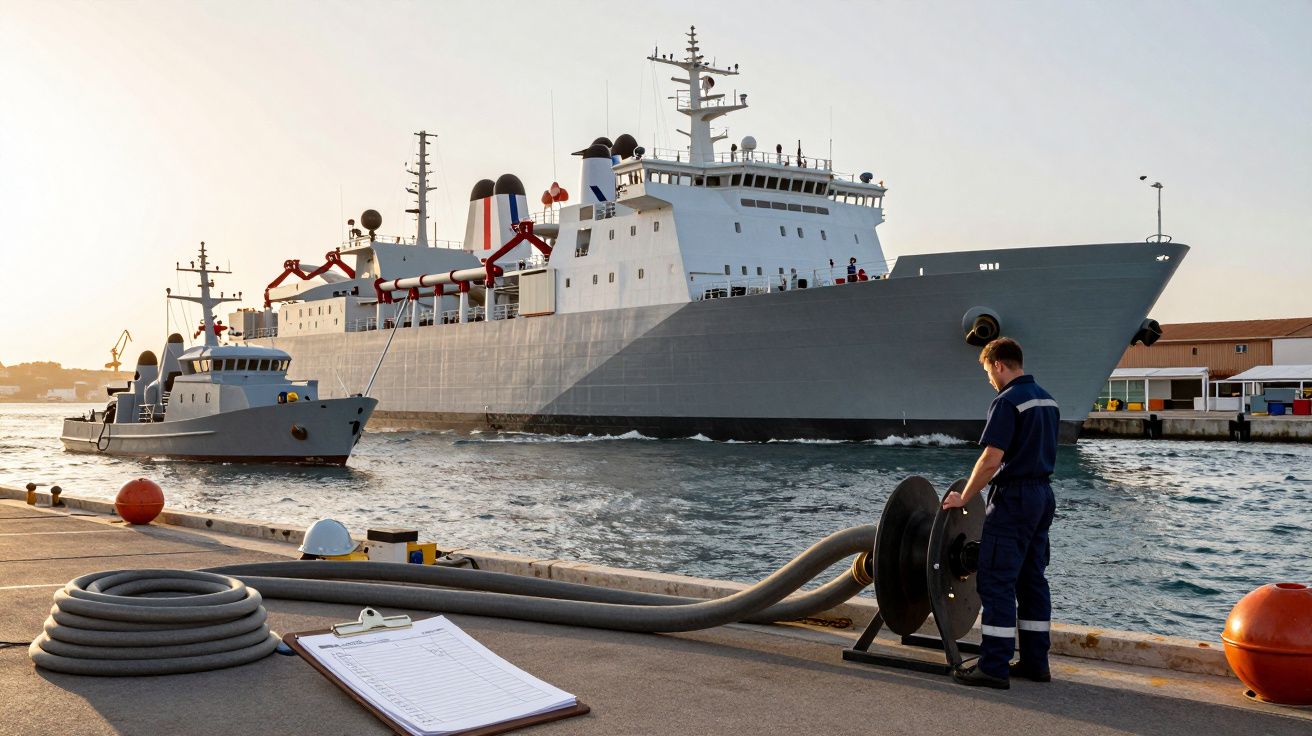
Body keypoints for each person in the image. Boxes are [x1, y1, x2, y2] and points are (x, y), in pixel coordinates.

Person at [942, 337, 1059, 689]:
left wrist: (964, 497)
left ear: (998, 365)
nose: (990, 380)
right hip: (1043, 495)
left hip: (1015, 498)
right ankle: (1036, 663)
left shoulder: (1008, 401)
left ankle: (993, 666)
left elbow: (991, 459)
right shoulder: (1047, 400)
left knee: (996, 581)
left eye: (987, 372)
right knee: (1032, 579)